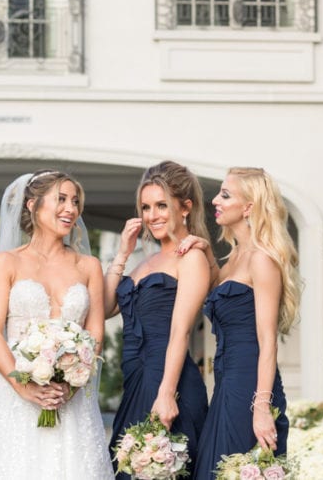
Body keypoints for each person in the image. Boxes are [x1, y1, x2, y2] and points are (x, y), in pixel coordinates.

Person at [0, 170, 113, 479]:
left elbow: (95, 331)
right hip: (13, 392)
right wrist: (25, 388)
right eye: (61, 199)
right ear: (32, 205)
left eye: (75, 201)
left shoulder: (88, 266)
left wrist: (73, 383)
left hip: (69, 393)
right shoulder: (7, 262)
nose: (70, 209)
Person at [191, 168, 301, 480]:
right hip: (227, 384)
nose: (215, 200)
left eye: (225, 195)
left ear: (249, 207)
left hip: (251, 387)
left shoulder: (262, 260)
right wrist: (203, 250)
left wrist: (262, 408)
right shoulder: (234, 258)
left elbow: (267, 342)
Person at [104, 161, 211, 478]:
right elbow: (106, 307)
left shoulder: (190, 257)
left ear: (186, 207)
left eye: (162, 205)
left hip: (170, 383)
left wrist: (166, 394)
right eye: (146, 207)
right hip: (136, 381)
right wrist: (123, 253)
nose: (153, 215)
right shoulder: (146, 261)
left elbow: (180, 332)